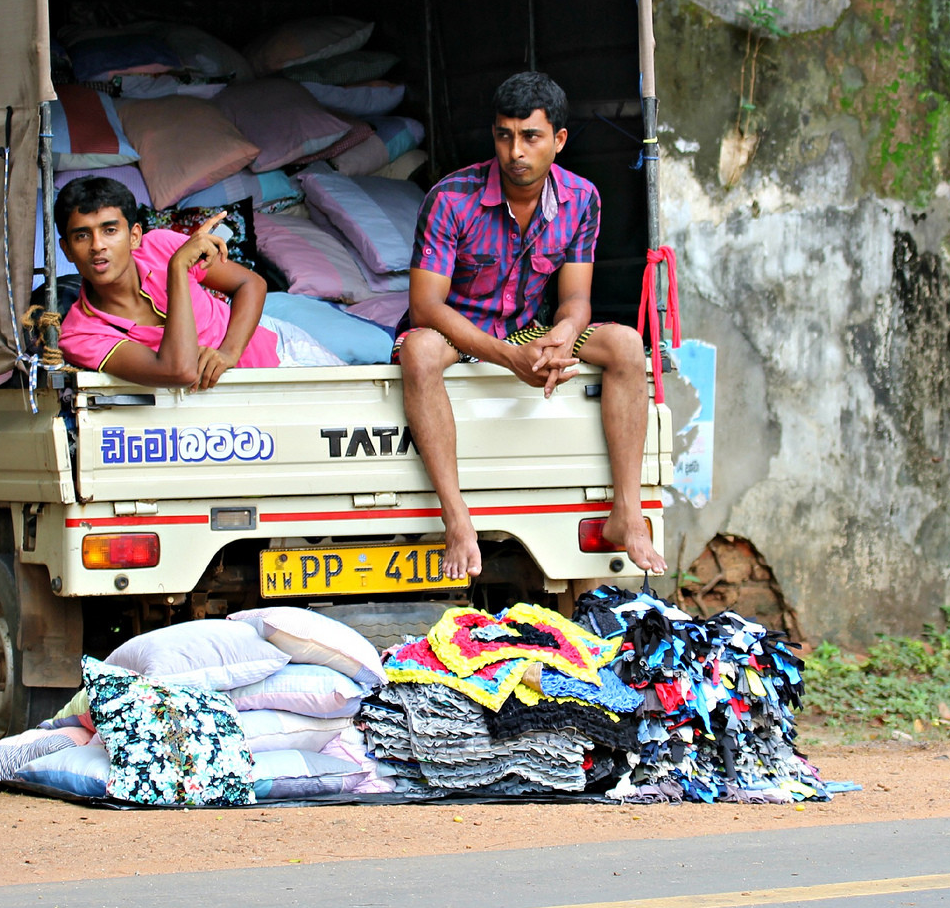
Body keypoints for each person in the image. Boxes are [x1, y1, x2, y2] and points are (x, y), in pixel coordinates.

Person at [397, 72, 666, 580]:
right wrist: (507, 357)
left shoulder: (582, 199)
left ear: (559, 140)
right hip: (459, 332)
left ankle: (626, 513)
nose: (515, 151)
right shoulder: (450, 198)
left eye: (530, 136)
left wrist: (563, 334)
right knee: (418, 350)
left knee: (627, 344)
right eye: (504, 135)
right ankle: (458, 521)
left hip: (529, 328)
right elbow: (426, 308)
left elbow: (576, 299)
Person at [55, 175, 338, 386]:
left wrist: (228, 353)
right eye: (82, 235)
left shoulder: (160, 245)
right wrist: (178, 268)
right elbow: (178, 372)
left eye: (110, 230)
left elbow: (250, 284)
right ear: (66, 249)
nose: (97, 246)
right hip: (227, 408)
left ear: (134, 236)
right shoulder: (79, 334)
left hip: (279, 347)